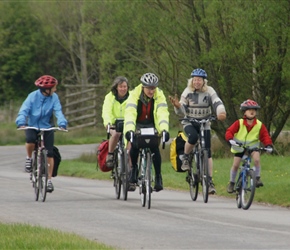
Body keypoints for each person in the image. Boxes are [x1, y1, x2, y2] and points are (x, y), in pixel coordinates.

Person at [169, 68, 226, 194]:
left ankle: (210, 181)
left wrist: (221, 112)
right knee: (193, 137)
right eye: (195, 80)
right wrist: (178, 106)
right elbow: (181, 108)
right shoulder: (187, 91)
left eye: (199, 80)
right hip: (189, 122)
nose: (197, 82)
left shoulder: (209, 91)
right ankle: (185, 157)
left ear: (204, 81)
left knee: (208, 152)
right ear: (192, 80)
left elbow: (217, 102)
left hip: (204, 122)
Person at [15, 75, 67, 193]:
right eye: (54, 88)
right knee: (30, 140)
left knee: (49, 152)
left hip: (47, 127)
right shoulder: (32, 96)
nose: (55, 90)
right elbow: (24, 110)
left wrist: (62, 123)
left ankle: (49, 180)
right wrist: (21, 122)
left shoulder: (54, 98)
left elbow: (58, 111)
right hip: (32, 125)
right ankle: (29, 159)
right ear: (46, 90)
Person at [124, 72, 170, 192]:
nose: (151, 91)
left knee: (154, 148)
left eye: (153, 88)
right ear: (143, 87)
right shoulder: (134, 95)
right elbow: (130, 113)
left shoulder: (159, 95)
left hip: (152, 124)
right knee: (134, 145)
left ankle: (159, 177)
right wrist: (129, 130)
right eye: (149, 88)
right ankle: (134, 169)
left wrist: (164, 129)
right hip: (137, 124)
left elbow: (162, 113)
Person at [225, 99, 273, 193]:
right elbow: (229, 131)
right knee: (235, 165)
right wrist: (230, 139)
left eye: (254, 110)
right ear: (244, 112)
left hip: (253, 147)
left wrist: (268, 145)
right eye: (249, 110)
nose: (252, 111)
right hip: (239, 147)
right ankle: (231, 183)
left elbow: (265, 136)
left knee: (257, 159)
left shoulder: (259, 124)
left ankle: (257, 178)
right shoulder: (239, 123)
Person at [102, 76, 130, 168]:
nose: (123, 89)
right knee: (116, 134)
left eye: (125, 86)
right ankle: (110, 154)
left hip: (128, 123)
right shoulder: (110, 97)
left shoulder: (132, 97)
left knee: (131, 139)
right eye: (121, 86)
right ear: (116, 87)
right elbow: (106, 111)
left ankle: (131, 165)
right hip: (114, 124)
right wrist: (108, 123)